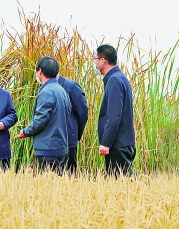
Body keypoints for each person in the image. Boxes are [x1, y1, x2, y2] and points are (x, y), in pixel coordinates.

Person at [17, 56, 72, 175]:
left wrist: (25, 132)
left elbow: (41, 120)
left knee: (48, 186)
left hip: (48, 148)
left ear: (40, 71)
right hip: (60, 145)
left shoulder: (47, 91)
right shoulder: (61, 90)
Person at [93, 44, 136, 178]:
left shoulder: (114, 81)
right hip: (123, 143)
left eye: (95, 59)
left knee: (119, 189)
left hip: (118, 145)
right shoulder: (119, 78)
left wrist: (105, 143)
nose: (94, 63)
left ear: (102, 60)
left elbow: (114, 115)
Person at [56, 73, 88, 175]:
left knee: (69, 176)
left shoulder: (71, 86)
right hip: (49, 144)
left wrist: (75, 134)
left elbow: (83, 113)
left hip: (68, 141)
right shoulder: (44, 87)